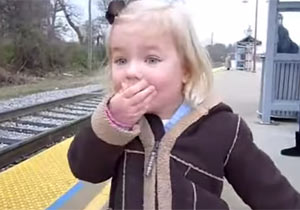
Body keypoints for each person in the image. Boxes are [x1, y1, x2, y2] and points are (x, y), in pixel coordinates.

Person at [67, 1, 300, 209]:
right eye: (121, 60)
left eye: (151, 59)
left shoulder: (225, 128)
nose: (131, 72)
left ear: (186, 70)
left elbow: (270, 191)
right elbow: (85, 170)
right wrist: (114, 124)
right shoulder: (117, 125)